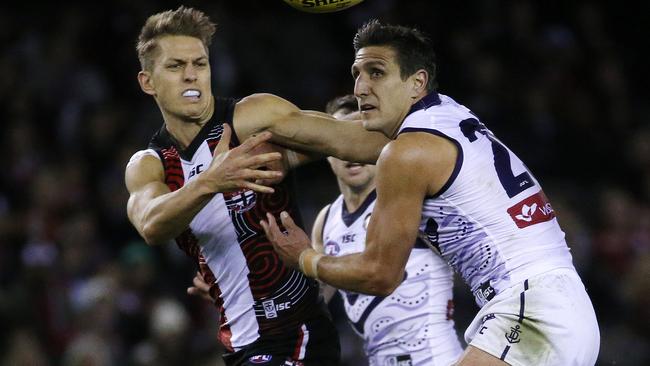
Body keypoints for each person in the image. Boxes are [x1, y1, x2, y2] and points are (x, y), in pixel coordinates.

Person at [263, 20, 601, 365]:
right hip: (562, 305)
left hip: (531, 308)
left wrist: (306, 258)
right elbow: (340, 138)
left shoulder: (407, 153)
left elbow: (380, 274)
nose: (361, 87)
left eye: (376, 72)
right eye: (357, 73)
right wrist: (289, 155)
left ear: (417, 83)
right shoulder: (447, 115)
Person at [125, 6, 388, 366]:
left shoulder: (251, 118)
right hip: (241, 346)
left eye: (200, 64)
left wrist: (437, 131)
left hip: (298, 334)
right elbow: (152, 225)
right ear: (148, 82)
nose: (191, 76)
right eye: (175, 67)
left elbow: (355, 141)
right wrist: (211, 182)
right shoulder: (149, 165)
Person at [190, 95, 464, 365]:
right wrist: (241, 292)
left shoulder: (408, 200)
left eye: (360, 139)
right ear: (330, 149)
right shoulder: (327, 219)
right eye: (344, 142)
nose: (352, 153)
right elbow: (314, 294)